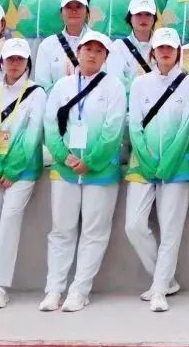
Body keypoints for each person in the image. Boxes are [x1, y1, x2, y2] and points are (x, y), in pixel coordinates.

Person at [40, 32, 127, 313]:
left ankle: (79, 290)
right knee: (61, 230)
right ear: (78, 52)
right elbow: (50, 125)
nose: (92, 54)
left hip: (100, 172)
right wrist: (63, 156)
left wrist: (90, 160)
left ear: (106, 57)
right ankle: (54, 289)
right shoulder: (62, 86)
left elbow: (113, 130)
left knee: (94, 232)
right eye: (88, 49)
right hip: (65, 170)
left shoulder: (114, 87)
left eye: (99, 51)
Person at [125, 28, 189, 312]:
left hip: (177, 166)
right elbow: (135, 125)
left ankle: (158, 289)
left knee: (170, 230)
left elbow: (187, 127)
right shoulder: (140, 83)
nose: (165, 52)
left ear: (178, 51)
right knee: (134, 226)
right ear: (152, 52)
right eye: (161, 48)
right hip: (143, 165)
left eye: (170, 47)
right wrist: (146, 158)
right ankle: (165, 279)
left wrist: (169, 161)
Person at [0, 37, 45, 310]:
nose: (14, 64)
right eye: (10, 59)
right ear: (2, 62)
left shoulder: (36, 93)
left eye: (20, 59)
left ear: (27, 63)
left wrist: (12, 170)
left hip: (22, 171)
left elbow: (32, 134)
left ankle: (0, 286)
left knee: (9, 222)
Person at [34, 0, 93, 92]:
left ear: (87, 12)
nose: (74, 11)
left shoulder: (102, 43)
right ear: (61, 13)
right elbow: (43, 85)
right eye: (68, 7)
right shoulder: (47, 45)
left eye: (79, 6)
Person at [106, 0, 157, 90]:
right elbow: (115, 81)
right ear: (130, 18)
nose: (143, 19)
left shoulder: (164, 46)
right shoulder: (118, 47)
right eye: (138, 14)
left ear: (154, 18)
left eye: (148, 14)